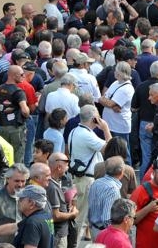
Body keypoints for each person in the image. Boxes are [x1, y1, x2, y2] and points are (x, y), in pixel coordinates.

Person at [67, 104, 112, 243]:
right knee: (81, 218)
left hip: (80, 177)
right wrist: (105, 128)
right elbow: (111, 148)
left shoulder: (75, 131)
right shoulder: (87, 135)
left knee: (84, 217)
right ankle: (74, 245)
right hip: (86, 180)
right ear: (94, 118)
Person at [0, 163, 30, 243]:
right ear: (8, 179)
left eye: (23, 181)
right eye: (17, 181)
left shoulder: (27, 198)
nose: (20, 184)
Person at [88, 155, 125, 238]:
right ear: (121, 172)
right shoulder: (113, 189)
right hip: (105, 232)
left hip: (94, 228)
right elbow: (107, 219)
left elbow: (90, 207)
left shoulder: (96, 182)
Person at [46, 152, 77, 248]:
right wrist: (72, 214)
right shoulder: (52, 187)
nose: (68, 167)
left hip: (59, 232)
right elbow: (55, 216)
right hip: (58, 234)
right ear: (59, 167)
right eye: (66, 164)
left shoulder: (55, 182)